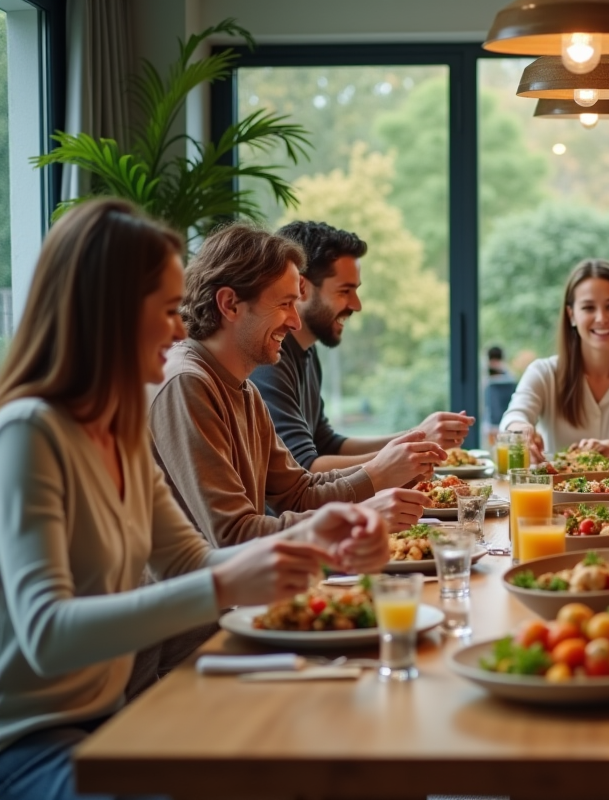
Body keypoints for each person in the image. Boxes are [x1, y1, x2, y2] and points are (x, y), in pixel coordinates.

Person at [0, 199, 389, 800]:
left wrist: (317, 538)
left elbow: (190, 561)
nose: (182, 328)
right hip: (32, 740)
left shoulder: (120, 427)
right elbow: (47, 632)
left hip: (110, 714)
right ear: (104, 312)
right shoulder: (31, 432)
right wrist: (234, 581)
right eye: (165, 310)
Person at [149, 223, 434, 548]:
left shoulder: (244, 390)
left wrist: (381, 474)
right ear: (229, 304)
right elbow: (234, 535)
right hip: (206, 598)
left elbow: (299, 493)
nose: (295, 321)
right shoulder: (188, 383)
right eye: (284, 304)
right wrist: (363, 508)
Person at [250, 221, 474, 473]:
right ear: (301, 288)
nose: (356, 305)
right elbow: (305, 467)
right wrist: (408, 451)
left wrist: (415, 438)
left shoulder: (306, 352)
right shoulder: (270, 360)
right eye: (345, 291)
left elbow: (326, 443)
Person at [499, 259, 609, 464]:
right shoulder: (543, 372)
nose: (601, 318)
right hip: (557, 495)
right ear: (571, 315)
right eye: (588, 307)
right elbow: (513, 417)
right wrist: (521, 430)